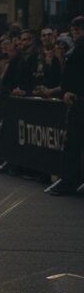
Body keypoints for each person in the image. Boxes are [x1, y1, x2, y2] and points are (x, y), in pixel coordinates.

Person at [45, 16, 84, 196]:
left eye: (80, 28)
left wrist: (73, 91)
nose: (77, 31)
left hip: (79, 100)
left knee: (73, 142)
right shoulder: (76, 48)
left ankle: (69, 180)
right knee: (72, 142)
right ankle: (71, 179)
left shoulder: (79, 49)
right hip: (75, 98)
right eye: (74, 28)